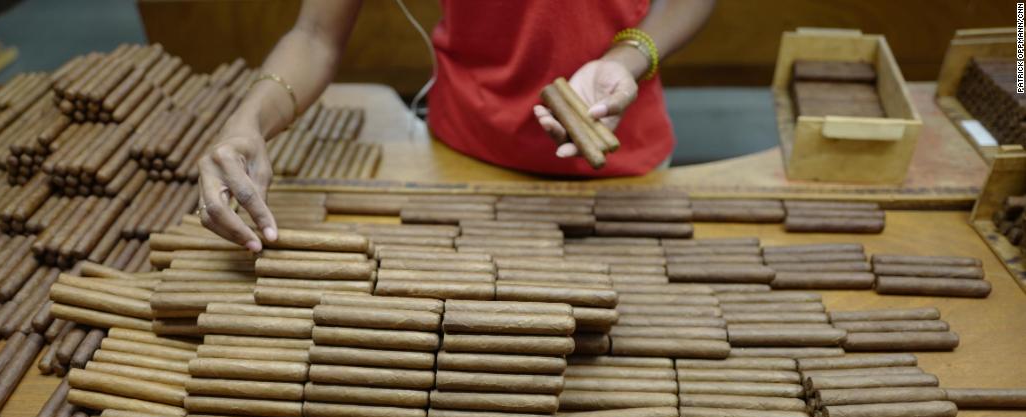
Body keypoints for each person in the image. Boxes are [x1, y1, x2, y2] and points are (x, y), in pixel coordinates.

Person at [197, 0, 715, 251]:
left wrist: (628, 58)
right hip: (459, 161)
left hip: (623, 162)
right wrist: (248, 121)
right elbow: (314, 35)